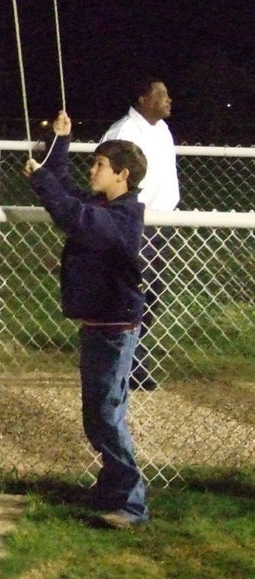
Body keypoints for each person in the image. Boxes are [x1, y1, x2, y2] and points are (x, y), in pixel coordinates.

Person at [24, 110, 150, 528]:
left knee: (106, 415)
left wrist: (41, 181)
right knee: (98, 414)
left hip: (115, 327)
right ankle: (112, 490)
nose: (91, 170)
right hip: (101, 324)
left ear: (123, 175)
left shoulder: (123, 216)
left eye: (99, 165)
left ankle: (130, 503)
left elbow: (72, 216)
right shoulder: (103, 203)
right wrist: (60, 141)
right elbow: (63, 189)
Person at [100, 78, 179, 389]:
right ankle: (124, 361)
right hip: (133, 224)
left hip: (161, 224)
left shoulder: (161, 130)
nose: (169, 100)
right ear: (144, 99)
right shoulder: (124, 133)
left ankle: (133, 356)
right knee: (130, 294)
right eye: (162, 95)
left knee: (152, 294)